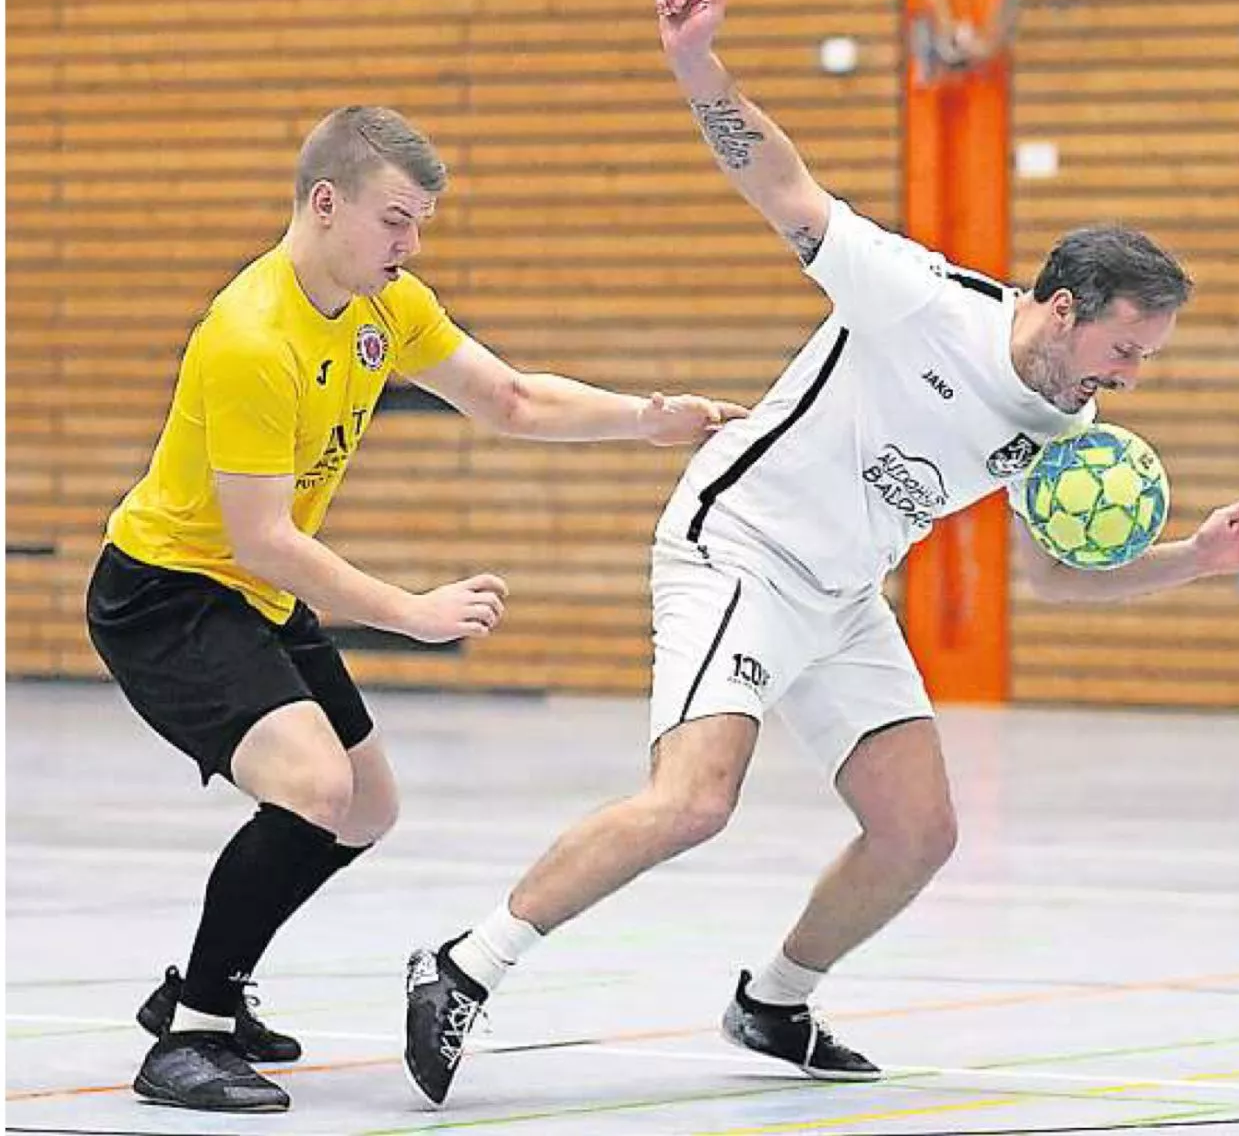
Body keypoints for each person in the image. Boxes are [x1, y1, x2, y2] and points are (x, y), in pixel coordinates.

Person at [401, 0, 1239, 1107]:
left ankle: (773, 999)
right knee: (692, 801)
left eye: (1146, 362)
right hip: (741, 549)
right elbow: (783, 185)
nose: (1129, 378)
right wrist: (695, 65)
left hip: (841, 595)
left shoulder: (1063, 415)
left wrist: (1201, 560)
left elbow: (1060, 581)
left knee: (917, 831)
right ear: (1065, 308)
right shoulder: (918, 299)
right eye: (1126, 350)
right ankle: (465, 964)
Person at [85, 104, 747, 1114]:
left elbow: (511, 400)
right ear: (324, 203)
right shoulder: (250, 337)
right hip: (169, 592)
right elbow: (263, 537)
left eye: (420, 223)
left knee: (367, 806)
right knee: (313, 785)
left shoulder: (384, 306)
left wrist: (647, 421)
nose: (412, 244)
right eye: (396, 220)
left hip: (253, 589)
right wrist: (413, 612)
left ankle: (202, 985)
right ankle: (192, 1032)